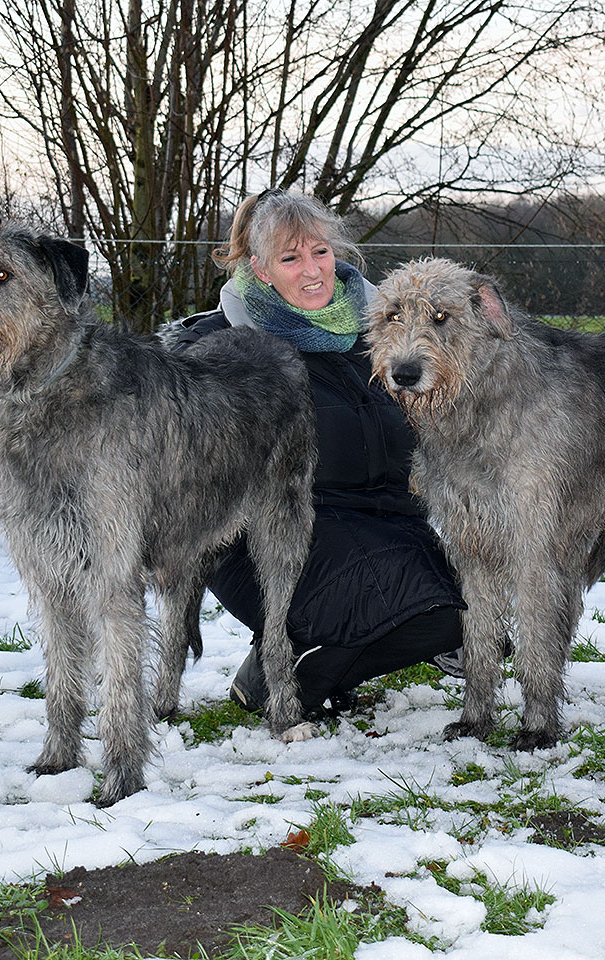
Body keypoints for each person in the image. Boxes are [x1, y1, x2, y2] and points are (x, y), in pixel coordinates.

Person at [162, 189, 465, 717]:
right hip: (275, 539)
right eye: (289, 257)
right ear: (257, 269)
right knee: (412, 607)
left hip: (392, 523)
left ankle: (308, 660)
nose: (312, 271)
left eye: (320, 251)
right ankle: (282, 671)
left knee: (468, 614)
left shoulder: (388, 335)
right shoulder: (221, 345)